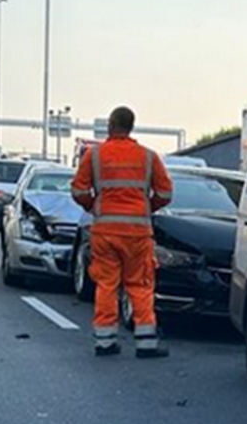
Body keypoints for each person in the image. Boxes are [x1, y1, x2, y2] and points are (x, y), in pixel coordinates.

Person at [71, 106, 173, 358]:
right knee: (140, 285)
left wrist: (93, 205)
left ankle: (105, 342)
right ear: (131, 126)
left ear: (110, 125)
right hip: (137, 233)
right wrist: (147, 207)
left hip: (105, 231)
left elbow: (78, 190)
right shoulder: (148, 157)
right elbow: (165, 193)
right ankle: (146, 342)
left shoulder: (95, 156)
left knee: (106, 284)